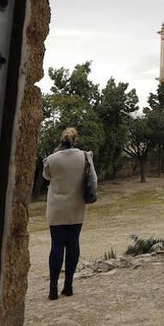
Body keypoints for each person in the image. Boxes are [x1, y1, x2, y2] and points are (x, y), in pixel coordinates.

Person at [42, 126, 94, 299]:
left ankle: (52, 289)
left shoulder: (52, 159)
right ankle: (69, 286)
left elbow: (46, 176)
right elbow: (92, 178)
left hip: (56, 207)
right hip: (76, 206)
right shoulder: (85, 156)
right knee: (73, 244)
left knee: (56, 246)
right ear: (75, 139)